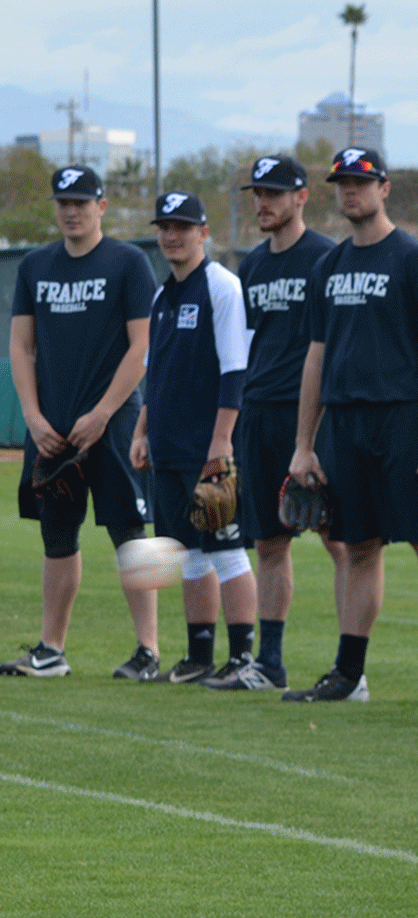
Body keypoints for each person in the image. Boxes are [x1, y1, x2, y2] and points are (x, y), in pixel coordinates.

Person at [282, 147, 418, 705]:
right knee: (358, 546)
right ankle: (348, 672)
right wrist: (303, 445)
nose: (350, 191)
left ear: (384, 188)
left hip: (404, 420)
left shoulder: (412, 258)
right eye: (342, 182)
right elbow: (315, 358)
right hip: (346, 423)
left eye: (361, 181)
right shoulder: (328, 267)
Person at [6, 164, 160, 679]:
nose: (71, 211)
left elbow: (142, 346)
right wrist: (31, 416)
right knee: (56, 535)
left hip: (112, 423)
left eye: (81, 202)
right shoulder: (35, 267)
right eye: (63, 202)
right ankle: (51, 649)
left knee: (129, 533)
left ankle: (148, 649)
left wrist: (104, 412)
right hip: (51, 426)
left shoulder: (128, 262)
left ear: (102, 207)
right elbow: (21, 346)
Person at [130, 191, 261, 684]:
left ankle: (244, 658)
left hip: (209, 447)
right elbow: (153, 374)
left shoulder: (222, 287)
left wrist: (222, 443)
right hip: (168, 445)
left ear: (204, 233)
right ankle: (199, 655)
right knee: (188, 554)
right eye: (164, 226)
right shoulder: (162, 297)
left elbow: (234, 372)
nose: (171, 235)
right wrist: (142, 432)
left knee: (226, 551)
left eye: (182, 227)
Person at [228, 154, 345, 692]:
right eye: (258, 193)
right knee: (269, 543)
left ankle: (351, 666)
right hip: (259, 414)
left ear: (302, 197)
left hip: (313, 418)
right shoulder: (250, 267)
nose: (263, 202)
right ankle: (269, 664)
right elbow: (240, 349)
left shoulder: (326, 257)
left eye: (275, 193)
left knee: (339, 539)